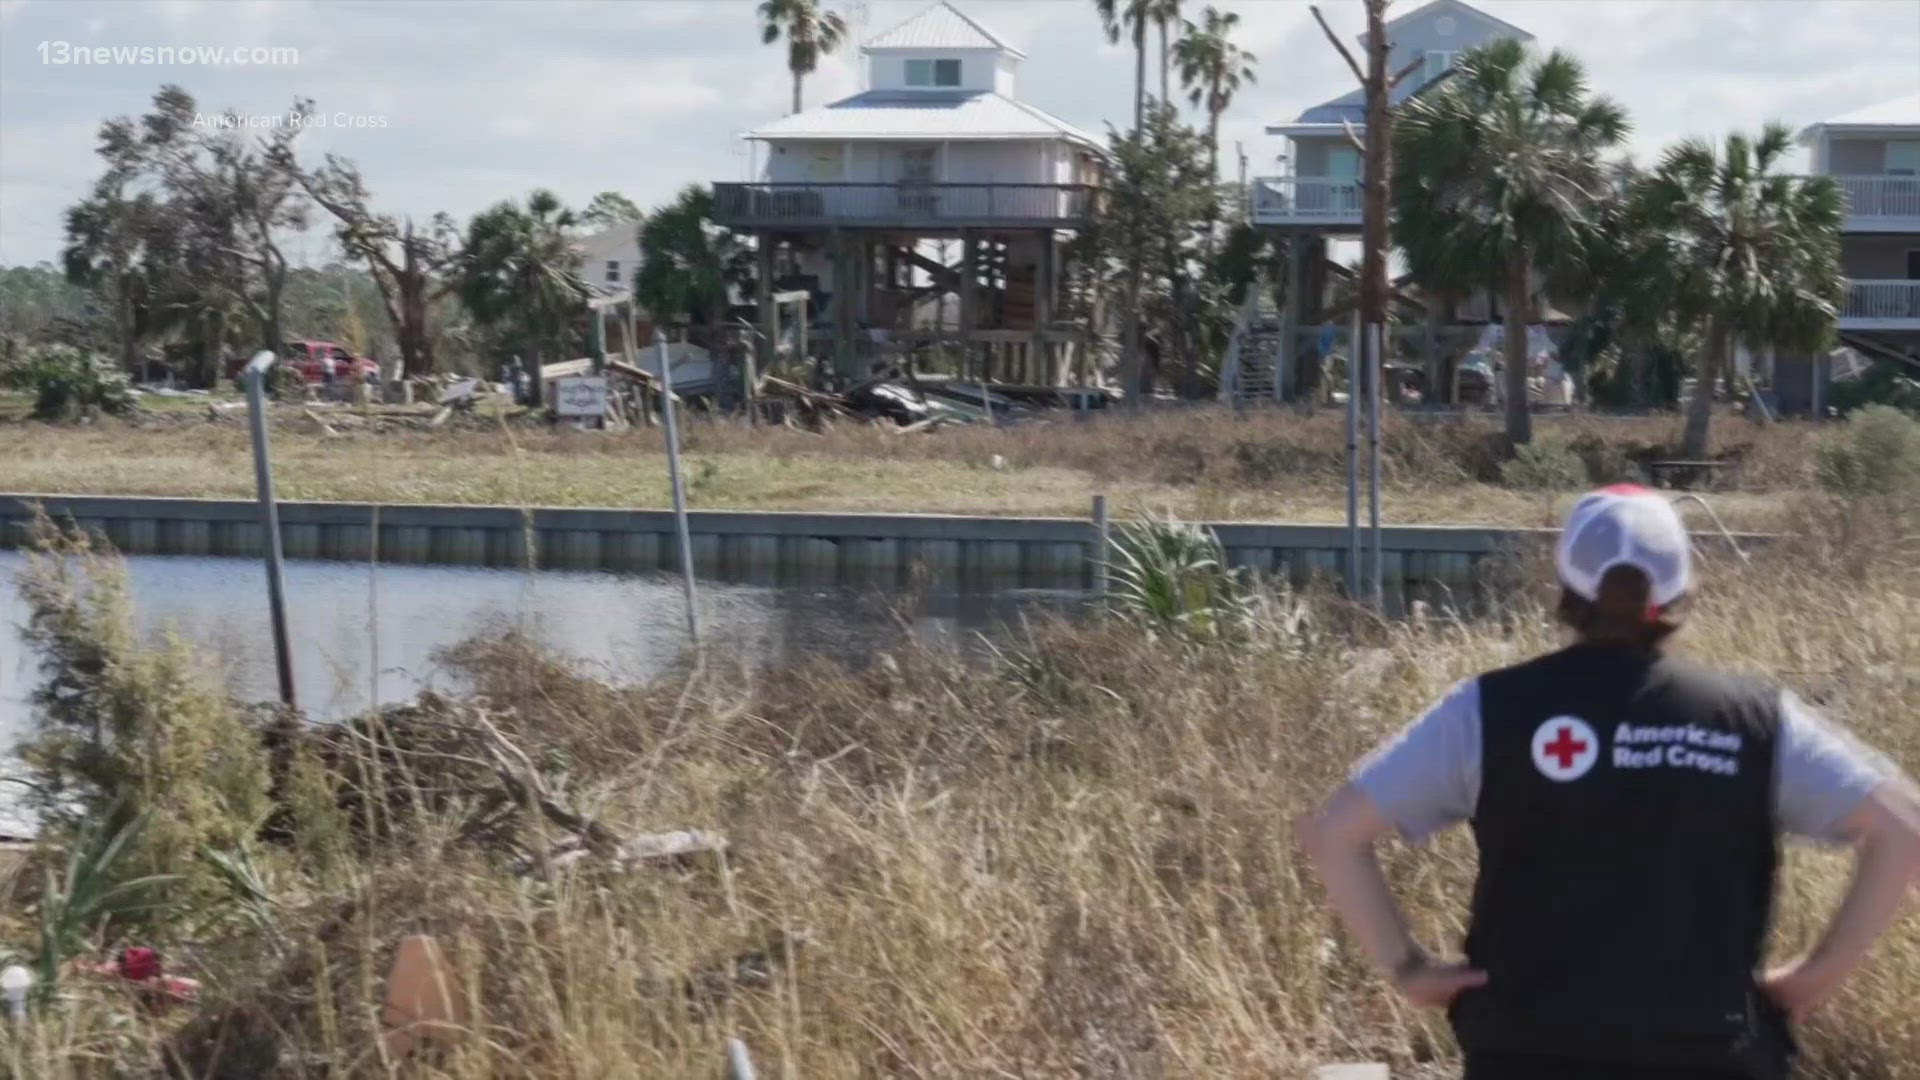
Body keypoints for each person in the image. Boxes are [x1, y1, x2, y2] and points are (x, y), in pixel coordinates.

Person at [1299, 484, 1920, 1080]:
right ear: (1683, 589)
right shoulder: (1753, 719)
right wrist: (1813, 979)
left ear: (1567, 588)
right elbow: (1900, 825)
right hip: (1714, 1051)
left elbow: (1335, 835)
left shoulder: (1488, 711)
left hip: (1526, 1051)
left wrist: (1408, 967)